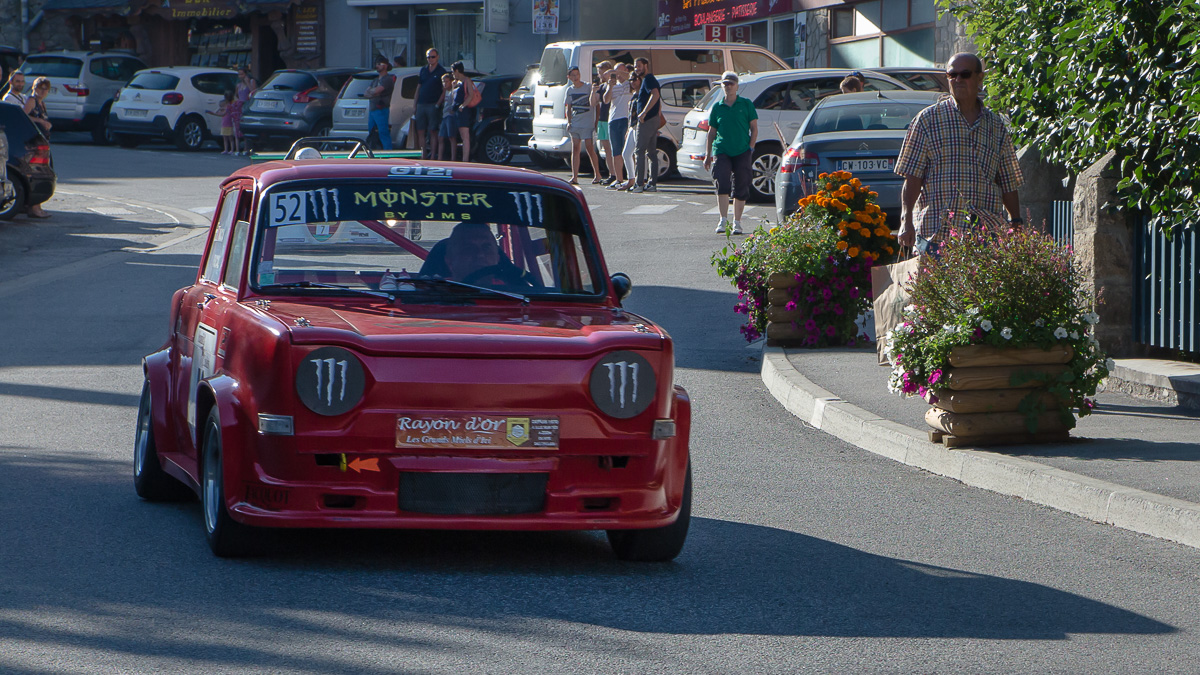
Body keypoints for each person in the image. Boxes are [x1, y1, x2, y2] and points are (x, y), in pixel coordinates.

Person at [894, 52, 1024, 251]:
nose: (958, 79)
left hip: (985, 233)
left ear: (980, 78)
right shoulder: (928, 120)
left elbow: (1008, 182)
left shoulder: (995, 125)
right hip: (936, 233)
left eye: (965, 74)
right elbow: (912, 176)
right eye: (952, 75)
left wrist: (1016, 223)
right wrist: (906, 220)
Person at [704, 71, 758, 235]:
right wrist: (708, 154)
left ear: (737, 86)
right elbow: (711, 132)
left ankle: (737, 222)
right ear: (721, 86)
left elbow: (754, 128)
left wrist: (750, 148)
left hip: (742, 150)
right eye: (725, 84)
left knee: (741, 184)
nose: (728, 86)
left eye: (731, 83)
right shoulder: (717, 107)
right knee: (722, 182)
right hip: (722, 150)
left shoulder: (746, 104)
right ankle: (723, 219)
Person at [564, 66, 601, 184]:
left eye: (577, 74)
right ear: (569, 77)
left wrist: (596, 121)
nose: (576, 77)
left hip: (587, 123)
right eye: (573, 75)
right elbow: (568, 108)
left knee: (590, 148)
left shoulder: (588, 87)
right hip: (575, 122)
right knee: (575, 148)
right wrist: (569, 121)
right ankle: (574, 177)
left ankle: (598, 174)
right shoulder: (570, 90)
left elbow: (596, 105)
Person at [630, 56, 662, 193]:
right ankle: (651, 183)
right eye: (635, 66)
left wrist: (643, 113)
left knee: (639, 151)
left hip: (647, 121)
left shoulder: (649, 79)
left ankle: (639, 184)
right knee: (651, 153)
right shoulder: (647, 80)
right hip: (652, 119)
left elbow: (655, 95)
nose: (637, 69)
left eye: (639, 66)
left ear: (646, 65)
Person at [603, 63, 633, 190]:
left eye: (620, 72)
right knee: (616, 151)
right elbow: (605, 100)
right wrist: (610, 86)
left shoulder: (630, 83)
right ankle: (619, 179)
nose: (618, 75)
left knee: (629, 150)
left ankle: (632, 176)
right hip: (614, 119)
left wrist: (621, 74)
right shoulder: (612, 85)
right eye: (615, 72)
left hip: (627, 119)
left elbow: (631, 76)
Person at [415, 48, 447, 159]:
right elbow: (418, 87)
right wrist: (415, 104)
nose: (430, 59)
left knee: (433, 131)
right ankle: (423, 155)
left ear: (437, 57)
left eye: (433, 57)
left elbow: (445, 90)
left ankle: (433, 155)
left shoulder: (441, 71)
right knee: (420, 130)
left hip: (433, 104)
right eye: (428, 57)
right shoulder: (423, 70)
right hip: (421, 104)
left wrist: (438, 104)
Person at [451, 61, 480, 162]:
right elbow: (453, 98)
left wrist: (463, 106)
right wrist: (453, 87)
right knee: (459, 136)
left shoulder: (466, 80)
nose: (452, 74)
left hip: (463, 111)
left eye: (453, 72)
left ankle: (465, 159)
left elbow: (471, 94)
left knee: (465, 136)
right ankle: (462, 157)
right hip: (457, 111)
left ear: (457, 70)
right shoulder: (457, 82)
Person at [365, 57, 396, 150]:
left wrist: (373, 92)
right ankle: (372, 153)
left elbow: (376, 91)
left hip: (381, 110)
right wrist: (373, 92)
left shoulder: (387, 79)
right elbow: (366, 93)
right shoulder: (375, 80)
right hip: (372, 110)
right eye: (376, 64)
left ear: (385, 66)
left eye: (379, 64)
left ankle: (388, 154)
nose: (377, 66)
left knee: (383, 133)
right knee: (372, 133)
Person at [592, 61, 615, 185]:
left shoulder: (612, 85)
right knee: (606, 149)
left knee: (614, 148)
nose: (599, 75)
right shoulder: (601, 87)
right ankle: (612, 173)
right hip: (602, 119)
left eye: (601, 72)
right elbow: (593, 103)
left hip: (610, 118)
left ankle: (618, 174)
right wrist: (593, 91)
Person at [233, 66, 257, 155]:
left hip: (248, 106)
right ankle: (239, 148)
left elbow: (253, 92)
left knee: (247, 126)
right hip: (240, 106)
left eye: (242, 74)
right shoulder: (238, 85)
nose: (240, 76)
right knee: (239, 127)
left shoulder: (251, 81)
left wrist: (247, 82)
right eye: (239, 74)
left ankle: (248, 148)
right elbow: (237, 95)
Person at [207, 90, 236, 154]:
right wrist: (219, 109)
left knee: (230, 138)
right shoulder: (227, 106)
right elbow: (219, 111)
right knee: (225, 137)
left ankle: (231, 150)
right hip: (225, 124)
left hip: (228, 124)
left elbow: (222, 114)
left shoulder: (228, 107)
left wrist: (213, 113)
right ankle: (227, 149)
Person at [437, 73, 457, 160]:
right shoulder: (445, 91)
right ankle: (439, 158)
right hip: (444, 115)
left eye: (447, 81)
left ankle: (453, 158)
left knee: (451, 137)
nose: (445, 83)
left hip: (450, 115)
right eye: (443, 82)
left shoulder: (453, 90)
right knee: (441, 137)